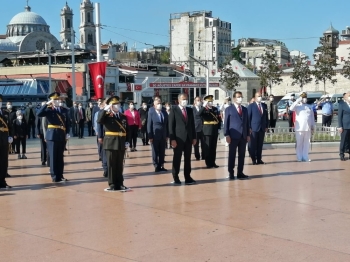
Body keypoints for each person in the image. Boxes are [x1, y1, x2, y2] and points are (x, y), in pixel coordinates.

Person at [97, 96, 130, 191]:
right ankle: (112, 184)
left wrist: (127, 140)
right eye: (114, 104)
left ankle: (120, 183)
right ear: (111, 106)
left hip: (121, 143)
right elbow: (99, 120)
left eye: (118, 104)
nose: (117, 105)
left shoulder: (123, 116)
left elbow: (127, 130)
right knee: (111, 165)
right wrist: (105, 109)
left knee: (120, 164)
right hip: (110, 143)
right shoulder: (106, 116)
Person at [37, 92, 70, 183]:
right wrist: (47, 104)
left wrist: (67, 133)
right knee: (53, 156)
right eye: (55, 100)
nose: (57, 101)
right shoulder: (48, 110)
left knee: (60, 157)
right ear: (51, 101)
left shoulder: (63, 110)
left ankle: (60, 175)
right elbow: (39, 113)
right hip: (52, 135)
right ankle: (54, 176)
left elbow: (67, 123)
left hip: (61, 135)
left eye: (58, 99)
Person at [168, 93, 197, 185]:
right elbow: (170, 125)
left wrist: (194, 137)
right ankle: (176, 177)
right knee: (177, 158)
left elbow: (192, 125)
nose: (185, 101)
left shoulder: (189, 110)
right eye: (183, 99)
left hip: (188, 138)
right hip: (178, 139)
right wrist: (172, 139)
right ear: (179, 100)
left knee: (187, 159)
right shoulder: (174, 110)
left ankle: (187, 177)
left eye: (186, 99)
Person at [224, 91, 250, 180]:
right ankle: (231, 172)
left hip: (243, 136)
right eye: (238, 97)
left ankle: (240, 172)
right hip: (233, 136)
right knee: (232, 155)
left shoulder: (245, 109)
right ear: (234, 98)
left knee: (242, 155)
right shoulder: (229, 109)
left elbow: (247, 123)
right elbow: (226, 123)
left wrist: (248, 134)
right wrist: (226, 135)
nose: (240, 98)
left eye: (241, 97)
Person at [289, 92, 315, 162]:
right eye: (303, 98)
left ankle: (305, 156)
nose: (305, 99)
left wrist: (313, 126)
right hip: (299, 128)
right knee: (299, 143)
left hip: (308, 127)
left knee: (307, 143)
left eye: (305, 97)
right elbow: (291, 108)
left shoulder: (309, 106)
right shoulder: (297, 106)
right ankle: (299, 157)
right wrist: (298, 100)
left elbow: (312, 117)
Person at [198, 95, 221, 168]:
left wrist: (219, 128)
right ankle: (208, 163)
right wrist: (203, 107)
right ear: (206, 102)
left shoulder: (215, 109)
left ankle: (213, 162)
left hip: (214, 130)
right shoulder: (204, 109)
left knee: (213, 148)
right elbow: (198, 114)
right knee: (207, 148)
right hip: (207, 130)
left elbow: (218, 119)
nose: (211, 102)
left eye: (211, 101)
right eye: (209, 101)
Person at [147, 98, 168, 172]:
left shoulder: (164, 112)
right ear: (154, 106)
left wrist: (167, 135)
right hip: (155, 135)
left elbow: (166, 124)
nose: (159, 105)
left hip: (163, 135)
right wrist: (150, 136)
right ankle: (156, 165)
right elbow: (149, 124)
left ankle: (161, 165)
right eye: (158, 104)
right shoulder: (151, 112)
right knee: (155, 151)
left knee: (162, 151)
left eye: (160, 103)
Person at [248, 92, 268, 165]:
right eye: (258, 96)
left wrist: (266, 126)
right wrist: (249, 127)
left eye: (260, 96)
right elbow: (248, 118)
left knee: (260, 145)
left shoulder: (264, 105)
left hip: (262, 128)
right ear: (255, 97)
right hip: (254, 128)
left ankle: (259, 159)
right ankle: (254, 159)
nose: (260, 97)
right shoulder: (251, 106)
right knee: (253, 144)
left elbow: (266, 117)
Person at [0, 95, 13, 189]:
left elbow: (9, 125)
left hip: (4, 140)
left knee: (4, 162)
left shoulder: (4, 113)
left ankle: (2, 182)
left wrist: (10, 135)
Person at [95, 100, 107, 176]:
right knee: (104, 153)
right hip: (104, 136)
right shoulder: (101, 113)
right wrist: (100, 136)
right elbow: (99, 125)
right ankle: (105, 168)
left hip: (113, 137)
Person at [338, 92, 350, 161]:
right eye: (349, 96)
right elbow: (339, 116)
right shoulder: (342, 105)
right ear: (346, 97)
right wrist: (340, 126)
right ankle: (341, 154)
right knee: (343, 140)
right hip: (345, 125)